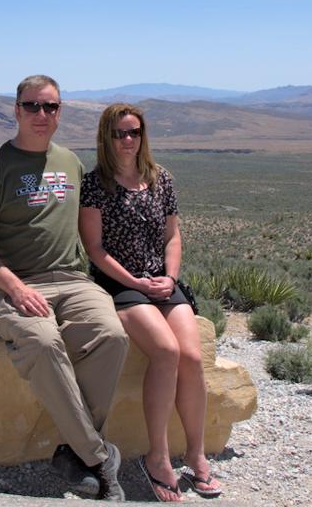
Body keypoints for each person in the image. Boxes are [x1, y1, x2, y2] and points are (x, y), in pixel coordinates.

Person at [0, 75, 129, 501]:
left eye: (50, 107)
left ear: (60, 112)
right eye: (33, 106)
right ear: (16, 110)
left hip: (72, 280)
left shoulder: (70, 162)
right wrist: (14, 288)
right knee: (41, 341)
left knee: (111, 336)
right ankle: (97, 457)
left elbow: (87, 230)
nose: (42, 114)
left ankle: (76, 454)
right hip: (15, 284)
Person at [79, 103, 223, 502]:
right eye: (119, 133)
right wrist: (135, 281)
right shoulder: (95, 185)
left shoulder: (162, 180)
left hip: (162, 281)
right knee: (165, 351)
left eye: (134, 132)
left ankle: (196, 454)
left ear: (144, 135)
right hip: (120, 283)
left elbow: (173, 237)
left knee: (191, 357)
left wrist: (170, 278)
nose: (128, 140)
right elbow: (94, 248)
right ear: (105, 138)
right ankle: (157, 457)